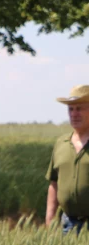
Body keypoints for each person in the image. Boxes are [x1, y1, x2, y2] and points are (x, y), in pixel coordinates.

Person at [46, 85, 89, 234]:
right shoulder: (61, 143)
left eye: (80, 108)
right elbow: (54, 183)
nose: (74, 114)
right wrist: (50, 218)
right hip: (68, 224)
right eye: (71, 109)